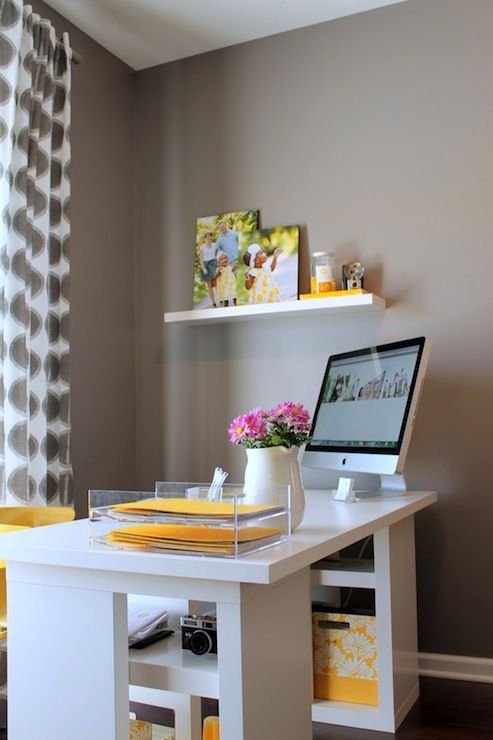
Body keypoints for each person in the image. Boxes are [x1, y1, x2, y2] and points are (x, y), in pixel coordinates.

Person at [199, 231, 218, 307]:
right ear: (205, 238)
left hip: (213, 264)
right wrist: (203, 268)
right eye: (208, 236)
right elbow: (201, 259)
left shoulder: (215, 245)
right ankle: (213, 302)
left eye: (211, 236)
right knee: (210, 285)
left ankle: (220, 299)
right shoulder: (202, 247)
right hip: (206, 265)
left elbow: (217, 255)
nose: (210, 238)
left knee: (216, 283)